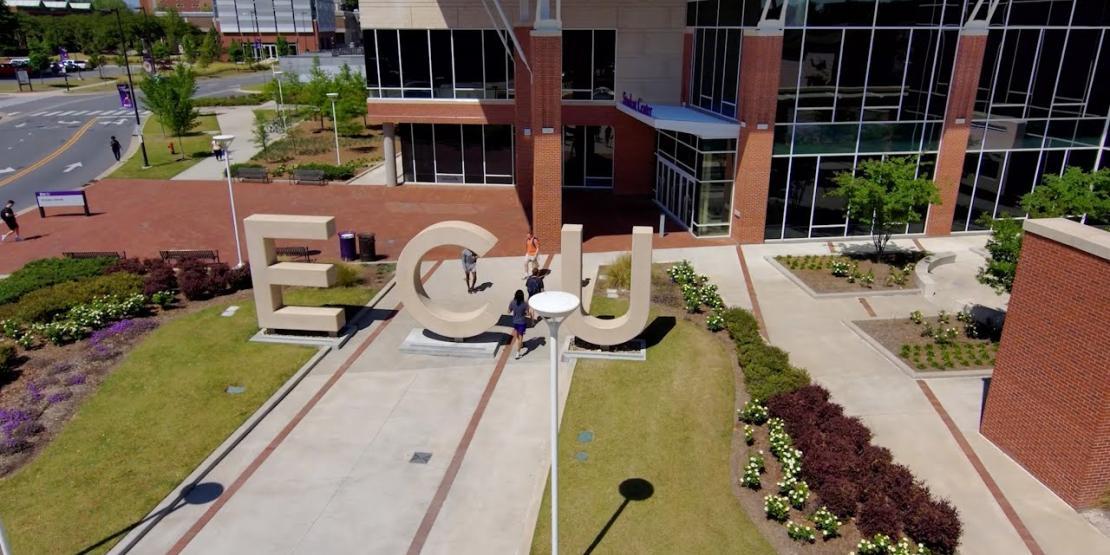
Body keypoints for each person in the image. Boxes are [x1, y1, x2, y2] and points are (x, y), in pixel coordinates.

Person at [508, 289, 532, 359]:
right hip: (522, 322)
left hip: (515, 321)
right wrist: (525, 313)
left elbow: (508, 311)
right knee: (521, 337)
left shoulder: (512, 302)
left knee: (517, 335)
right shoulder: (524, 303)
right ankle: (518, 353)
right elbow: (527, 314)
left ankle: (520, 345)